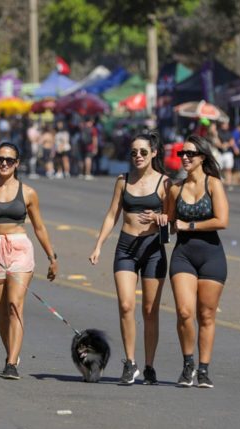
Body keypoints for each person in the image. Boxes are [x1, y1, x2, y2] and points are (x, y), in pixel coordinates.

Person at [89, 131, 171, 385]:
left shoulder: (164, 183)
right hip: (125, 247)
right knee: (126, 305)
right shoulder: (123, 181)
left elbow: (172, 221)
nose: (138, 156)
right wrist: (99, 244)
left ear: (154, 153)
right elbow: (112, 214)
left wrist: (160, 218)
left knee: (149, 310)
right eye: (134, 152)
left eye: (143, 152)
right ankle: (130, 362)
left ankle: (149, 366)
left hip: (152, 248)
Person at [0, 142, 58, 380]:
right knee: (1, 312)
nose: (4, 163)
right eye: (0, 159)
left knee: (14, 304)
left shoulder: (28, 192)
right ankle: (12, 351)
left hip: (20, 248)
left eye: (9, 160)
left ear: (17, 164)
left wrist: (52, 257)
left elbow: (39, 227)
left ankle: (11, 363)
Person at [165, 135, 229, 388]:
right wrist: (160, 220)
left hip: (211, 255)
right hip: (183, 255)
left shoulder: (213, 184)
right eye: (182, 154)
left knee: (207, 315)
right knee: (184, 312)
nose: (185, 158)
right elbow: (170, 223)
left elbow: (222, 220)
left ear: (202, 157)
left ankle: (203, 369)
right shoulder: (175, 188)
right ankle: (187, 364)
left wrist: (188, 224)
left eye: (190, 154)